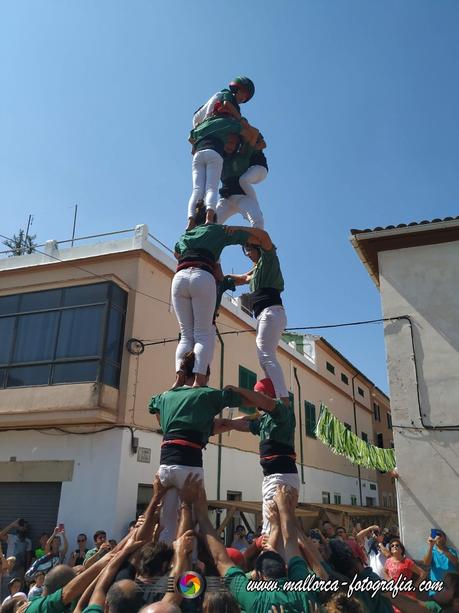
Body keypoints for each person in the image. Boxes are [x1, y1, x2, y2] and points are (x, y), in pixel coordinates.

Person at [148, 353, 252, 544]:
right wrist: (239, 392)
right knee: (192, 522)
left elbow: (155, 408)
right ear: (202, 374)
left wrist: (177, 381)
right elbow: (248, 402)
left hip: (165, 467)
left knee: (167, 524)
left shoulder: (166, 397)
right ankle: (189, 563)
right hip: (189, 466)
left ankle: (161, 564)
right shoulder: (205, 395)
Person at [172, 211, 269, 387]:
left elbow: (177, 253)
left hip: (180, 277)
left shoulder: (187, 234)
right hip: (202, 276)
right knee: (203, 335)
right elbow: (248, 241)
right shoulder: (216, 233)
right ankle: (199, 381)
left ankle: (179, 379)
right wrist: (260, 247)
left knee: (186, 335)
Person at [194, 480, 321, 612]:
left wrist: (202, 516)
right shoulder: (305, 592)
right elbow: (291, 544)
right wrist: (285, 511)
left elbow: (221, 559)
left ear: (259, 576)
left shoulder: (256, 601)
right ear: (286, 568)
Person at [220, 378, 298, 540]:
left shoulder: (284, 411)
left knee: (272, 530)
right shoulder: (264, 420)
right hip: (271, 477)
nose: (254, 398)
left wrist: (238, 389)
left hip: (281, 476)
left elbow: (266, 402)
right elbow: (246, 425)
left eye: (258, 393)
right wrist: (224, 423)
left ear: (269, 395)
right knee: (276, 528)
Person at [188, 77, 255, 227]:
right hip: (203, 123)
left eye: (246, 97)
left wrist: (195, 146)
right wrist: (242, 121)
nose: (244, 98)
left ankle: (192, 219)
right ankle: (209, 218)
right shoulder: (225, 96)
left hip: (200, 138)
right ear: (237, 89)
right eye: (244, 94)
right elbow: (226, 105)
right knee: (210, 187)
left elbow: (190, 137)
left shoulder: (217, 118)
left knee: (198, 189)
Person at [227, 234, 288, 401]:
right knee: (264, 359)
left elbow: (267, 242)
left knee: (266, 355)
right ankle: (274, 395)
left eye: (249, 249)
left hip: (271, 311)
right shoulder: (256, 270)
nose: (247, 253)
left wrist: (239, 232)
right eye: (245, 250)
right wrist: (221, 277)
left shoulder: (268, 260)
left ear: (258, 247)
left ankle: (283, 399)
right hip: (266, 314)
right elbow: (242, 278)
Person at [216, 130, 266, 229]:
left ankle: (253, 244)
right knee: (209, 226)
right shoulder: (218, 159)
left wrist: (240, 123)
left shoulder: (243, 155)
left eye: (233, 143)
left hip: (243, 197)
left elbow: (255, 137)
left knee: (258, 220)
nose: (230, 145)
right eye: (228, 142)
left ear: (238, 146)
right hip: (225, 200)